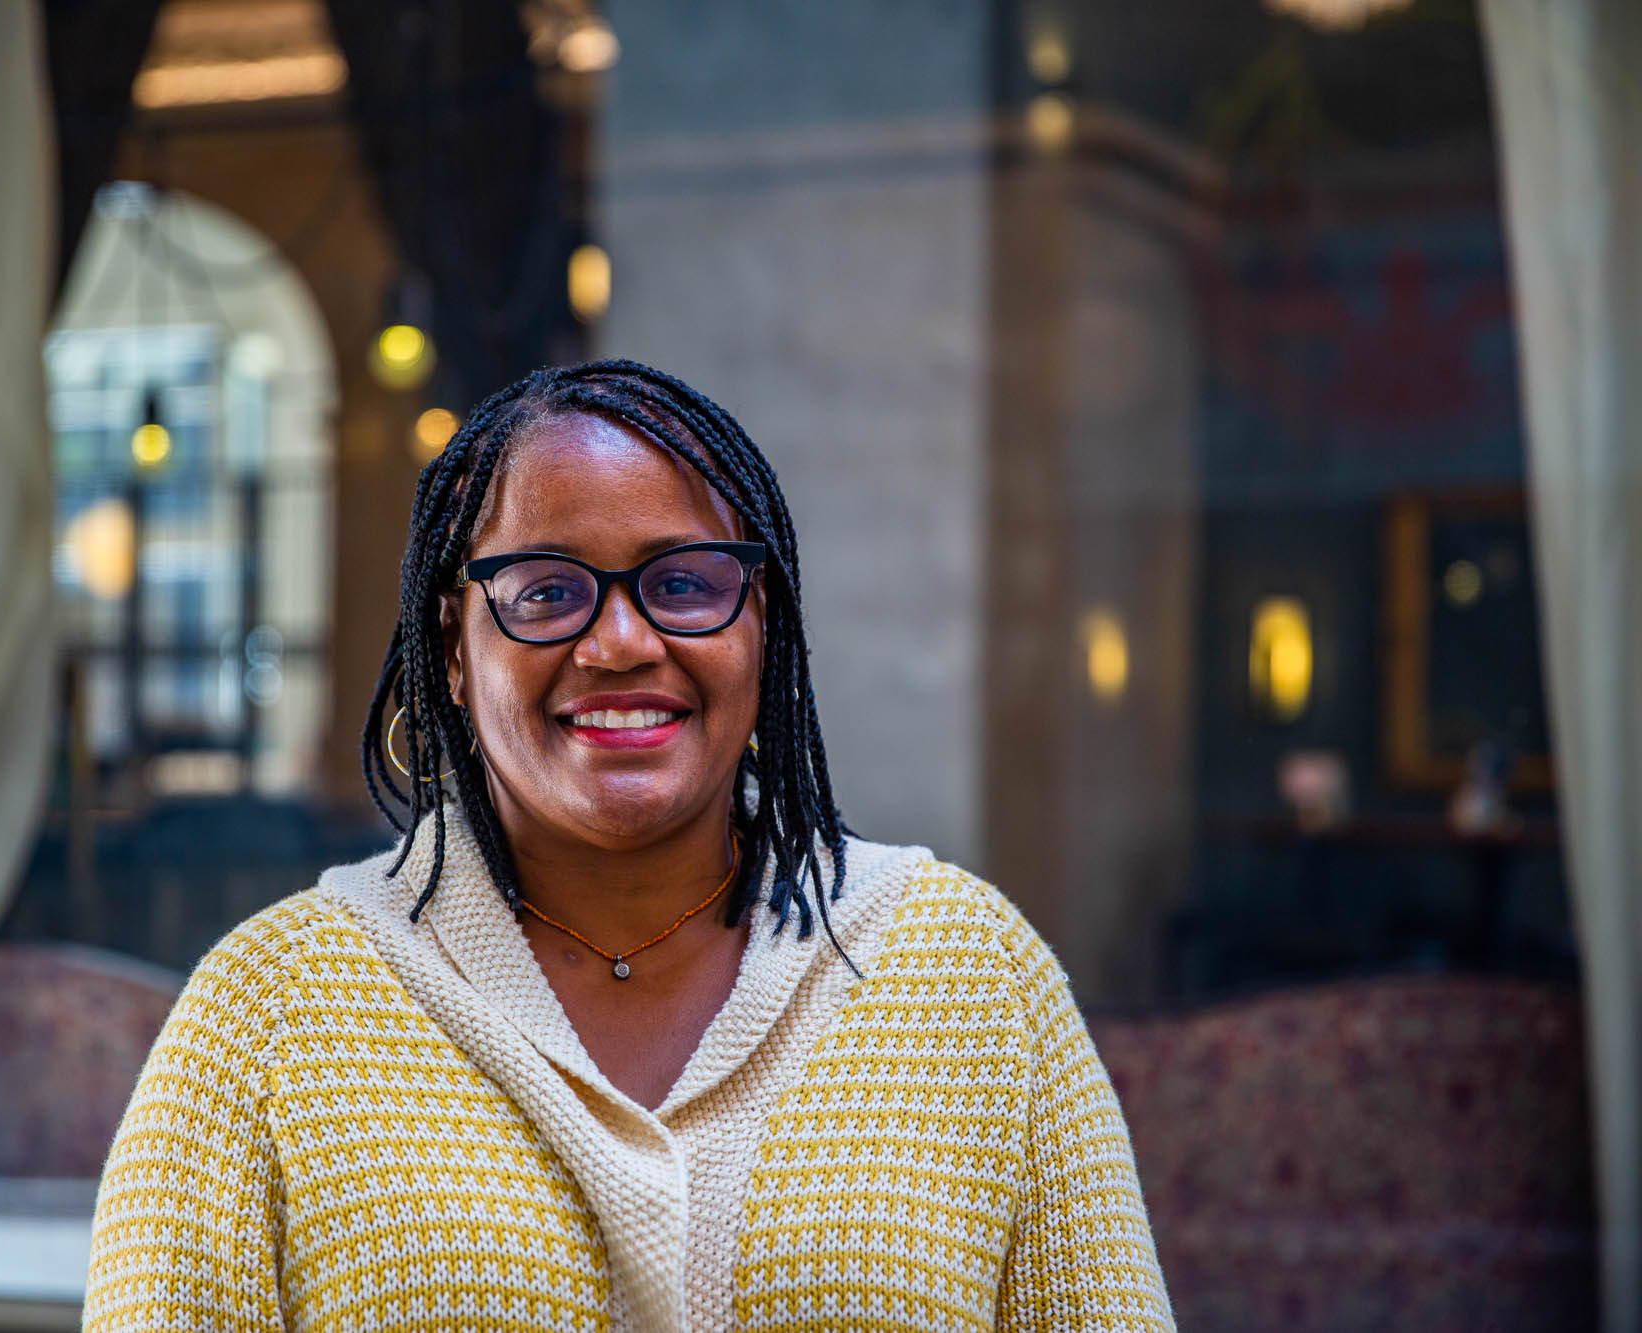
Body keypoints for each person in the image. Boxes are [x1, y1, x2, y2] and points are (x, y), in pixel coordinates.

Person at [83, 360, 1174, 1332]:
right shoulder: (267, 1014)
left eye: (683, 583)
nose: (618, 642)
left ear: (763, 628)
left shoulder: (972, 977)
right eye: (546, 592)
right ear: (453, 654)